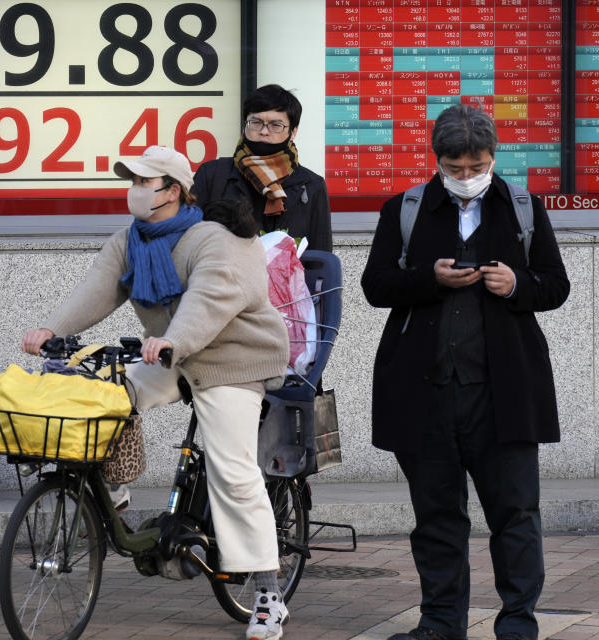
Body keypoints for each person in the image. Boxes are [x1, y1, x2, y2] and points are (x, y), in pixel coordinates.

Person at [22, 145, 292, 640]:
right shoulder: (131, 240)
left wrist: (174, 339)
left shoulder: (215, 239)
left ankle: (268, 595)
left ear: (172, 189)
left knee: (231, 471)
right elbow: (98, 288)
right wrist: (50, 330)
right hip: (170, 355)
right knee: (103, 396)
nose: (135, 189)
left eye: (145, 181)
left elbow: (210, 298)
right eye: (132, 180)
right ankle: (114, 487)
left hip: (231, 358)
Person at [361, 104, 569, 640]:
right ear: (437, 161)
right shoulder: (405, 209)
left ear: (494, 158)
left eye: (477, 166)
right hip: (425, 391)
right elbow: (376, 284)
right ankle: (440, 623)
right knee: (436, 517)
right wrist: (427, 280)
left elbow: (555, 284)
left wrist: (518, 286)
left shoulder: (522, 207)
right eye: (455, 168)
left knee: (516, 514)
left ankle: (518, 624)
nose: (467, 177)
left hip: (505, 394)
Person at [192, 83, 332, 252]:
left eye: (275, 125)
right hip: (222, 275)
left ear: (293, 131)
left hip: (289, 278)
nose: (264, 131)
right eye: (256, 122)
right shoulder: (213, 174)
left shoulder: (311, 185)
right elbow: (190, 239)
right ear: (245, 124)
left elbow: (321, 259)